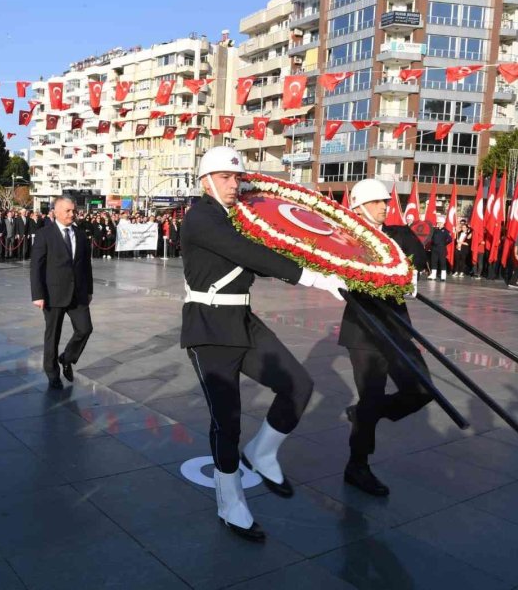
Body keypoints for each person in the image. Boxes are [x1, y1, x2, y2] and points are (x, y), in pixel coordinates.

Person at [180, 146, 345, 541]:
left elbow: (268, 247)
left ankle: (263, 452)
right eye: (225, 177)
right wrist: (315, 279)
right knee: (227, 421)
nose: (234, 184)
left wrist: (332, 261)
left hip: (241, 320)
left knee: (298, 385)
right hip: (209, 328)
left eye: (237, 178)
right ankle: (231, 504)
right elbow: (248, 253)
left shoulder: (237, 217)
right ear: (206, 182)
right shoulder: (200, 217)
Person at [338, 178, 433, 496]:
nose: (384, 206)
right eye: (377, 202)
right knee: (372, 394)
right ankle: (358, 466)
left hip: (395, 326)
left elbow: (420, 260)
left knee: (422, 390)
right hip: (363, 329)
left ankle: (368, 413)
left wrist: (407, 254)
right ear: (359, 206)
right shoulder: (344, 238)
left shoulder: (397, 234)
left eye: (385, 202)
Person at [30, 196, 94, 391]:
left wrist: (89, 290)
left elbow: (86, 265)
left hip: (78, 293)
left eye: (73, 210)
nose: (71, 214)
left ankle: (67, 358)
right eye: (67, 211)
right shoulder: (44, 234)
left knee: (85, 329)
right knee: (53, 335)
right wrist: (37, 295)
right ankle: (52, 373)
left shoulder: (80, 234)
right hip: (53, 293)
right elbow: (36, 266)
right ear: (56, 212)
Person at [427, 215, 452, 282]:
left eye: (440, 222)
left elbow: (450, 239)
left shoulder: (446, 231)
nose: (438, 224)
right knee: (433, 261)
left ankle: (443, 276)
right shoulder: (435, 230)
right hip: (434, 248)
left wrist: (444, 244)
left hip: (441, 248)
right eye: (438, 222)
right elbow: (432, 238)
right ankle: (433, 275)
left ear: (443, 223)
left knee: (442, 262)